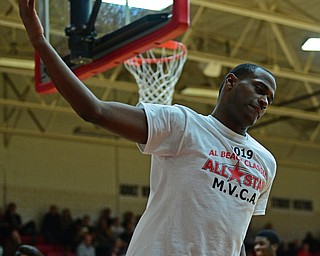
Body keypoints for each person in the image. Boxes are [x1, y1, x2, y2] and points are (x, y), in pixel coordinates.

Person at [18, 0, 277, 255]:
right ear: (231, 82)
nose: (264, 101)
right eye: (259, 88)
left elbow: (236, 233)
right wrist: (40, 42)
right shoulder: (183, 124)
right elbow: (93, 110)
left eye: (269, 99)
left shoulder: (266, 161)